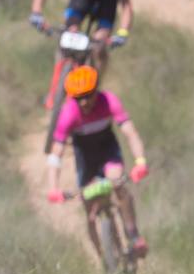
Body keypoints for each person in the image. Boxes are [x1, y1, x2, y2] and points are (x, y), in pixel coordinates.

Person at [43, 67, 150, 261]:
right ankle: (104, 259)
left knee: (118, 183)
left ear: (97, 90)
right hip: (85, 159)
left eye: (88, 95)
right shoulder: (68, 114)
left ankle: (133, 234)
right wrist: (53, 188)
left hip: (108, 151)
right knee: (90, 213)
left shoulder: (109, 101)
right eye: (78, 97)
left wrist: (140, 161)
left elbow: (130, 132)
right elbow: (55, 154)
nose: (84, 102)